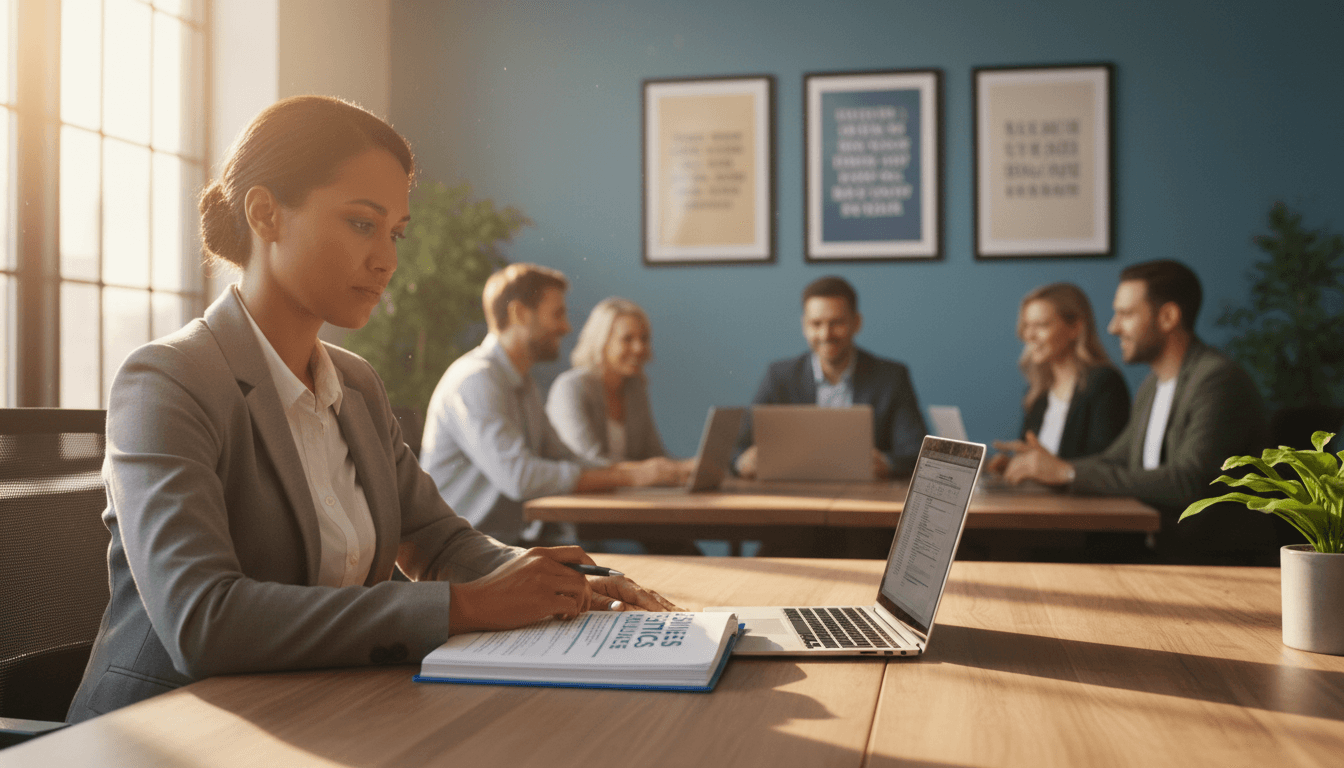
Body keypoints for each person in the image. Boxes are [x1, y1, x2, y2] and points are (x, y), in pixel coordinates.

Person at [67, 97, 673, 723]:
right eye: (363, 223)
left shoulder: (355, 383)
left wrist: (553, 582)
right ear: (266, 214)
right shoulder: (167, 380)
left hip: (320, 710)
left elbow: (434, 537)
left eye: (396, 233)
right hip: (166, 729)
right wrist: (464, 607)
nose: (387, 258)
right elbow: (203, 620)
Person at [1000, 259, 1272, 560]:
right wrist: (1045, 469)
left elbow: (1189, 481)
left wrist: (1067, 472)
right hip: (1157, 549)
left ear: (1168, 316)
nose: (1112, 327)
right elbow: (1115, 459)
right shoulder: (1152, 386)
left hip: (1206, 562)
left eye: (1126, 314)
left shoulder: (1216, 379)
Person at [420, 265, 684, 546]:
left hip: (506, 544)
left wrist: (635, 473)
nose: (566, 327)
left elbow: (562, 457)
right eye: (558, 314)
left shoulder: (523, 382)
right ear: (519, 313)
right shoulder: (475, 380)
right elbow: (520, 477)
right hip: (463, 550)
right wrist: (629, 477)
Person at [735, 275, 927, 479]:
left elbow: (915, 453)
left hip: (867, 497)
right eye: (816, 324)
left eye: (836, 323)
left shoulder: (891, 377)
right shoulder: (779, 376)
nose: (826, 334)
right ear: (804, 326)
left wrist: (886, 464)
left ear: (856, 323)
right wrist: (742, 462)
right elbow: (736, 448)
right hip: (792, 494)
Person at [988, 283, 1129, 473]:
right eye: (1027, 326)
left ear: (1075, 328)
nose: (1029, 335)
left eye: (1041, 325)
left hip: (1083, 501)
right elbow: (1031, 454)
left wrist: (1051, 466)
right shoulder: (1038, 391)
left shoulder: (1104, 382)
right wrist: (1012, 464)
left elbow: (1106, 464)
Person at [546, 297, 688, 469]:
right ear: (601, 342)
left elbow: (654, 454)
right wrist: (651, 471)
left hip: (623, 493)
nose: (639, 348)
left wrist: (688, 467)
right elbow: (586, 461)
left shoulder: (635, 388)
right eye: (627, 339)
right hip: (581, 494)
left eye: (644, 339)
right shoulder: (570, 387)